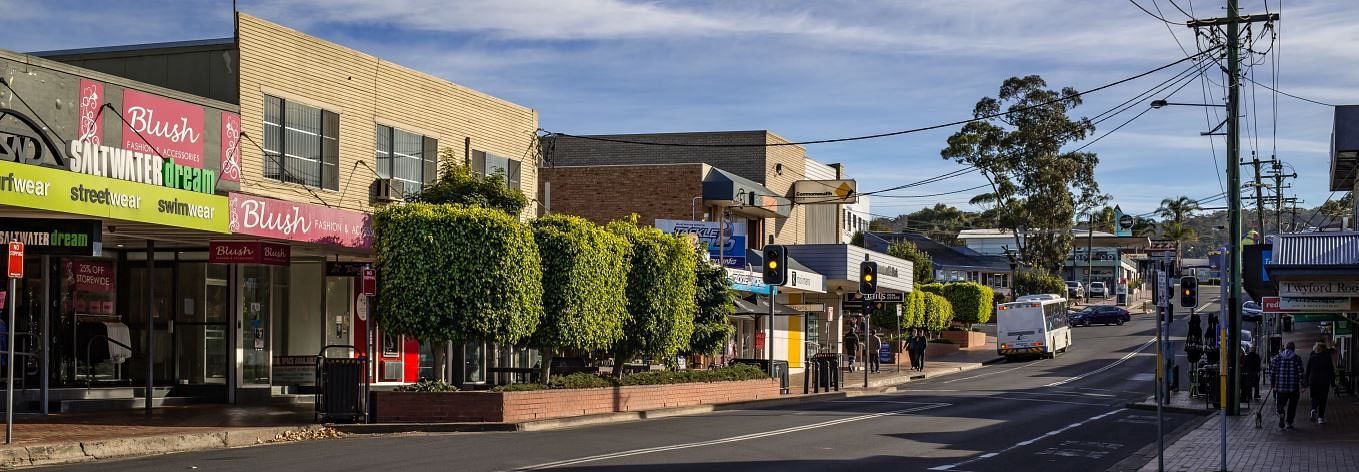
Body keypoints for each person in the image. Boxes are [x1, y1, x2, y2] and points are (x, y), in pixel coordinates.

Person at [1270, 341, 1305, 430]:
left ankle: (1281, 412)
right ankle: (1289, 422)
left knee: (1280, 403)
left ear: (1285, 348)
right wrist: (1303, 384)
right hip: (1293, 387)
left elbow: (1272, 372)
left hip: (1280, 387)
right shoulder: (1297, 358)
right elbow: (1301, 373)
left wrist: (1272, 383)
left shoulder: (1277, 358)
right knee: (1292, 405)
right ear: (1293, 349)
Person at [1306, 341, 1336, 424]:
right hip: (1324, 381)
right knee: (1323, 399)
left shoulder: (1312, 357)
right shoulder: (1326, 357)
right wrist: (1333, 382)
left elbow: (1308, 370)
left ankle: (1313, 409)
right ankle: (1320, 417)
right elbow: (1331, 370)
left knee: (1314, 396)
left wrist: (1306, 382)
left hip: (1313, 380)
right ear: (1323, 349)